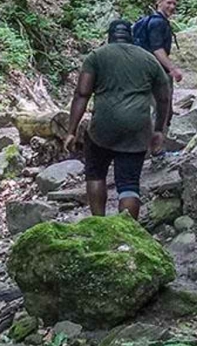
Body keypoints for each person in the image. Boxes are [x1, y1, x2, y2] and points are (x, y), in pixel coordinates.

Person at [64, 20, 172, 220]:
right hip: (137, 128)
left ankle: (99, 223)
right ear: (131, 36)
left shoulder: (96, 57)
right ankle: (127, 235)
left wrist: (71, 131)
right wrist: (159, 130)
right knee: (129, 184)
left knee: (96, 174)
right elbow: (164, 98)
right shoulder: (148, 59)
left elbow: (82, 93)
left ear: (110, 36)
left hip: (103, 126)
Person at [133, 0, 183, 85]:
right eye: (168, 3)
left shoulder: (151, 20)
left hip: (142, 67)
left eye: (174, 4)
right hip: (151, 70)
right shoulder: (158, 23)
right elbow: (157, 49)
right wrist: (172, 69)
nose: (172, 6)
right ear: (159, 3)